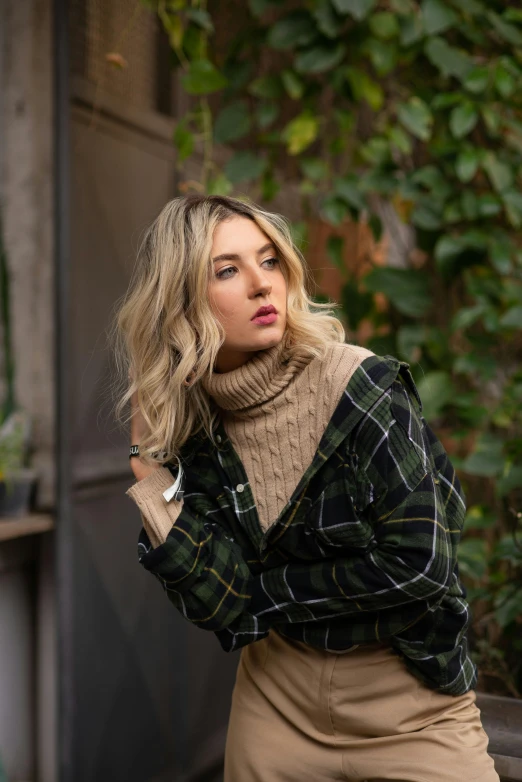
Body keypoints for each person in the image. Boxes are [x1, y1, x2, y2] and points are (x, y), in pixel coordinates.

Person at [113, 194, 499, 781]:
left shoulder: (359, 385)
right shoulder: (199, 431)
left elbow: (421, 565)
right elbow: (219, 604)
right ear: (182, 304)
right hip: (276, 706)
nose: (261, 285)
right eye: (227, 270)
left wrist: (262, 595)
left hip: (412, 707)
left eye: (268, 261)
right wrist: (149, 473)